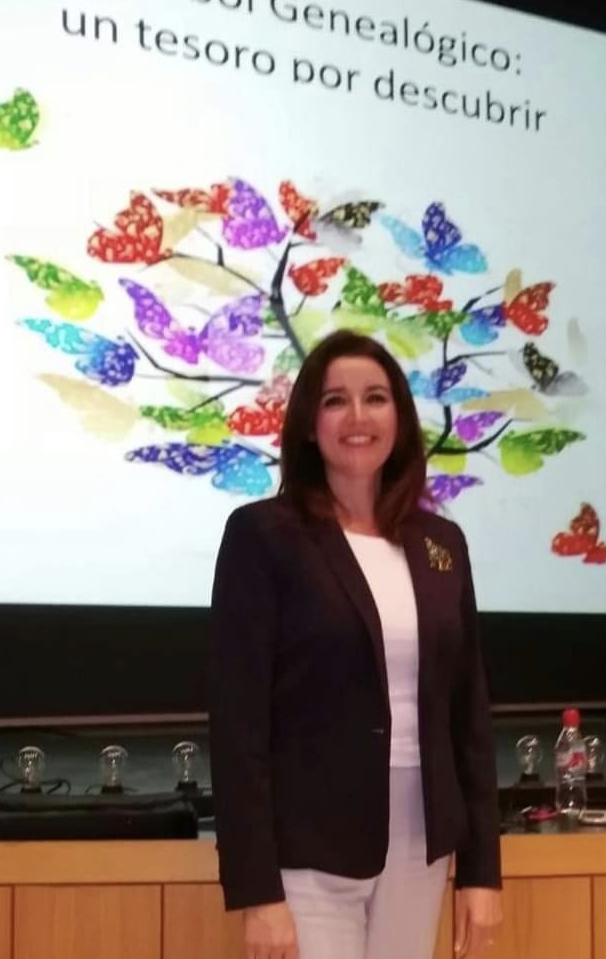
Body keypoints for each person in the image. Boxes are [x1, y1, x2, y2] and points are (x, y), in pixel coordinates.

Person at [208, 329, 503, 959]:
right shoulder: (264, 536)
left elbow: (469, 718)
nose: (358, 417)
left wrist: (481, 870)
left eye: (375, 398)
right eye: (335, 400)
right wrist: (257, 890)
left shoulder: (441, 544)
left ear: (400, 418)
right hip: (308, 849)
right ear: (309, 425)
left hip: (420, 842)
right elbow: (238, 725)